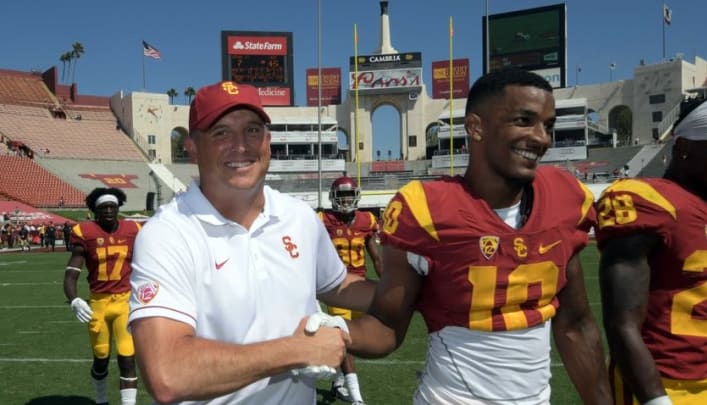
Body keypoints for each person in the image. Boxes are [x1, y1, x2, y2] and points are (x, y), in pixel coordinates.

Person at [345, 68, 611, 404]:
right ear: (476, 126)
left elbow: (575, 324)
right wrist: (327, 334)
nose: (542, 137)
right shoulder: (425, 209)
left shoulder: (565, 197)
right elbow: (385, 325)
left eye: (548, 125)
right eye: (524, 120)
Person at [128, 81, 375, 404]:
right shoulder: (167, 233)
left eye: (252, 130)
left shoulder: (299, 217)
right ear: (191, 147)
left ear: (268, 141)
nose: (241, 145)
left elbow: (337, 285)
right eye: (221, 133)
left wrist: (416, 288)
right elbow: (167, 374)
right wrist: (295, 350)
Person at [596, 94, 707, 405]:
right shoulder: (649, 200)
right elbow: (621, 322)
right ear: (683, 148)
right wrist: (656, 401)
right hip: (662, 384)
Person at [63, 187, 142, 405]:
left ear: (118, 209)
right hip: (98, 303)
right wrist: (74, 299)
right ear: (95, 211)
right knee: (101, 358)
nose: (108, 211)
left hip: (125, 301)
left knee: (128, 357)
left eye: (112, 207)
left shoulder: (133, 229)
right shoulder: (85, 233)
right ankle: (101, 401)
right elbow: (71, 274)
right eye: (103, 207)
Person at [319, 176, 383, 405]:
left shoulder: (367, 220)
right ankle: (357, 399)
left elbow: (376, 257)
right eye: (342, 195)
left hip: (361, 288)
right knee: (344, 338)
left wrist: (386, 286)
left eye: (349, 195)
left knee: (350, 340)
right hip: (336, 287)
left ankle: (337, 383)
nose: (346, 200)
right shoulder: (322, 220)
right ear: (333, 197)